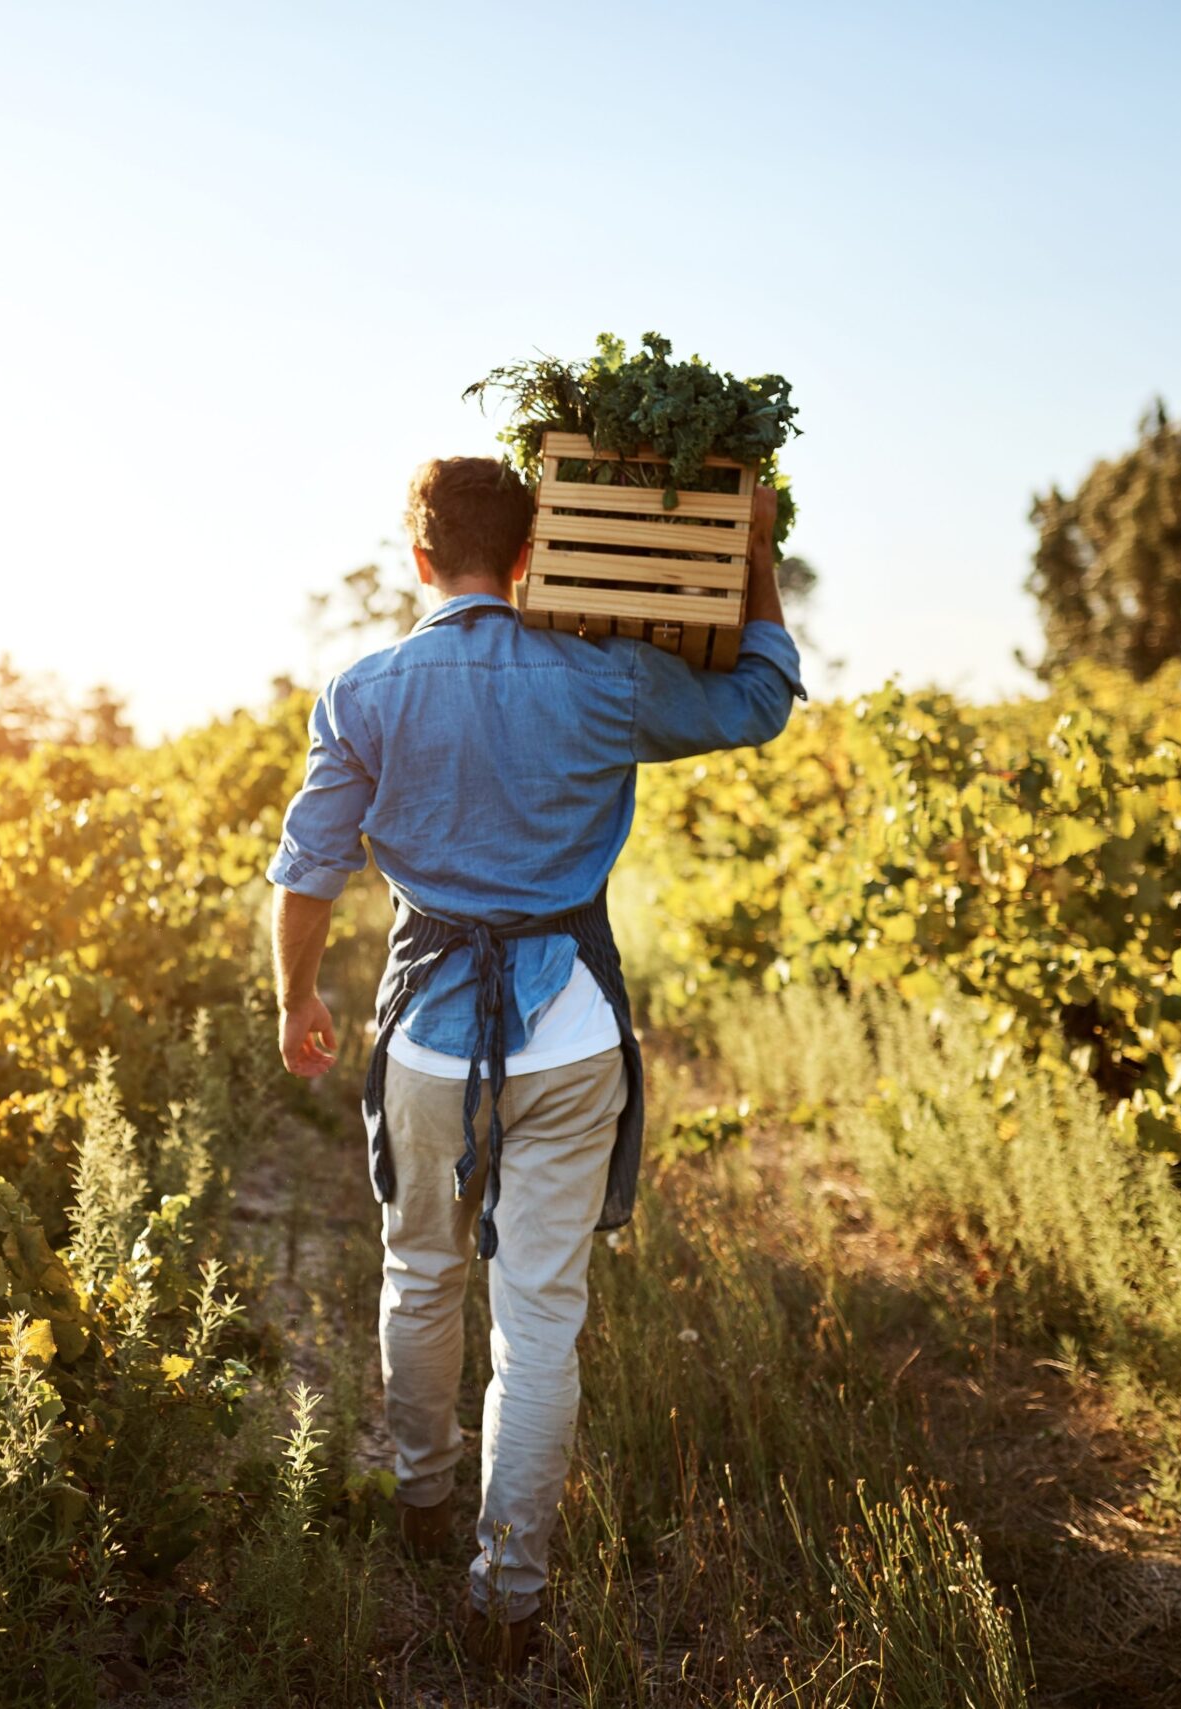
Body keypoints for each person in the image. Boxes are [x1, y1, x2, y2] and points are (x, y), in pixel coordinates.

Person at [266, 455, 804, 1667]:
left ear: (418, 557)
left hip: (425, 1038)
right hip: (571, 1034)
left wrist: (297, 995)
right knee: (541, 1322)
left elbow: (308, 870)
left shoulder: (365, 688)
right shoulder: (605, 675)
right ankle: (507, 1597)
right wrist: (755, 550)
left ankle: (420, 1497)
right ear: (528, 555)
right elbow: (763, 697)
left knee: (418, 1272)